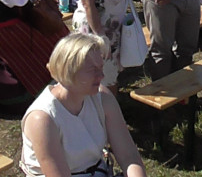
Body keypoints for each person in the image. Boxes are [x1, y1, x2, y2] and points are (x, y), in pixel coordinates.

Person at [20, 33, 147, 177]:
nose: (101, 76)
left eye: (101, 67)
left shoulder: (102, 98)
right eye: (92, 70)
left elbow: (129, 157)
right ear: (69, 70)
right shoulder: (43, 118)